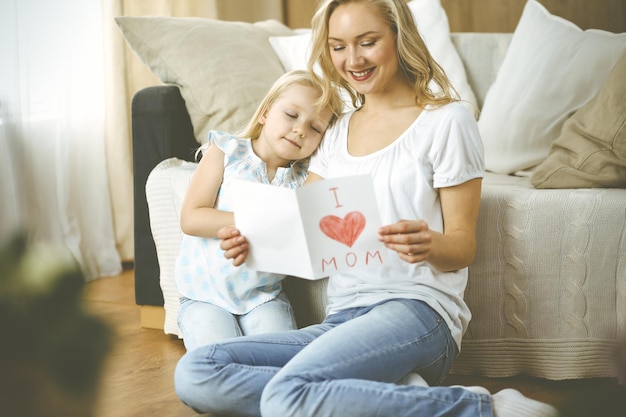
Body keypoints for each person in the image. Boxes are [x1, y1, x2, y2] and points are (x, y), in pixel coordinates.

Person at [174, 1, 560, 417]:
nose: (352, 60)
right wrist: (254, 241)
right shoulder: (334, 133)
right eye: (338, 46)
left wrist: (429, 244)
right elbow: (307, 230)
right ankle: (381, 397)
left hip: (417, 312)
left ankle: (486, 410)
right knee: (197, 370)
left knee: (287, 395)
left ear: (399, 37)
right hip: (343, 318)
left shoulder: (448, 122)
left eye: (368, 42)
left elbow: (462, 247)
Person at [174, 70, 344, 351]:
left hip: (265, 297)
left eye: (315, 128)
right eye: (291, 115)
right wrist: (256, 222)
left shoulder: (303, 180)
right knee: (219, 358)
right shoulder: (226, 152)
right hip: (204, 294)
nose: (301, 129)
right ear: (265, 113)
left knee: (279, 360)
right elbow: (191, 217)